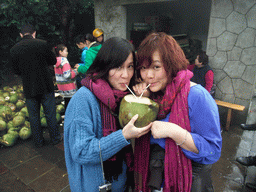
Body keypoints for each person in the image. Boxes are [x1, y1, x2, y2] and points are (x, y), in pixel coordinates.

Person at [132, 32, 222, 192]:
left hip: (185, 182)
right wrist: (144, 102)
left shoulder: (196, 96)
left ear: (171, 63)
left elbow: (213, 150)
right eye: (144, 68)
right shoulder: (154, 94)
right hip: (156, 179)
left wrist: (176, 132)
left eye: (156, 67)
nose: (149, 75)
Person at [64, 37, 152, 192]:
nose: (125, 74)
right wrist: (122, 136)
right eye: (118, 67)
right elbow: (81, 152)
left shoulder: (123, 98)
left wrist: (145, 99)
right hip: (95, 187)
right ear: (104, 66)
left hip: (122, 184)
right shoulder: (83, 100)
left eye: (130, 66)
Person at [10, 23, 62, 148]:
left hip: (29, 87)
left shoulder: (14, 49)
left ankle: (38, 142)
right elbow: (53, 61)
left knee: (33, 116)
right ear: (34, 33)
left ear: (21, 35)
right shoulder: (42, 44)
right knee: (50, 113)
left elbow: (16, 70)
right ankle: (55, 138)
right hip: (45, 85)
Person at [53, 44, 78, 110]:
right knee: (72, 105)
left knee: (67, 103)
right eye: (66, 51)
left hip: (62, 87)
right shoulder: (64, 61)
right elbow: (67, 75)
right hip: (69, 88)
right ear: (60, 52)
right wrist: (76, 72)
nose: (67, 52)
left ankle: (67, 117)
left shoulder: (56, 61)